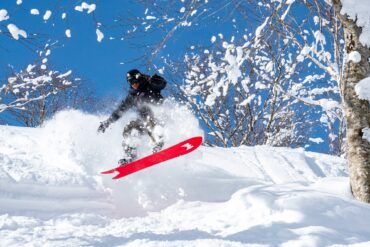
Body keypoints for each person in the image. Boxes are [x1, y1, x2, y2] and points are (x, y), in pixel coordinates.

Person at [98, 69, 167, 166]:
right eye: (130, 82)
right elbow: (120, 110)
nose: (133, 84)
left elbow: (162, 84)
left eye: (134, 81)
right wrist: (107, 122)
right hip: (144, 120)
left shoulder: (149, 84)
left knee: (147, 118)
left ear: (138, 78)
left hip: (159, 117)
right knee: (130, 127)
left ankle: (159, 142)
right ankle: (131, 153)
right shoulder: (132, 96)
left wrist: (154, 79)